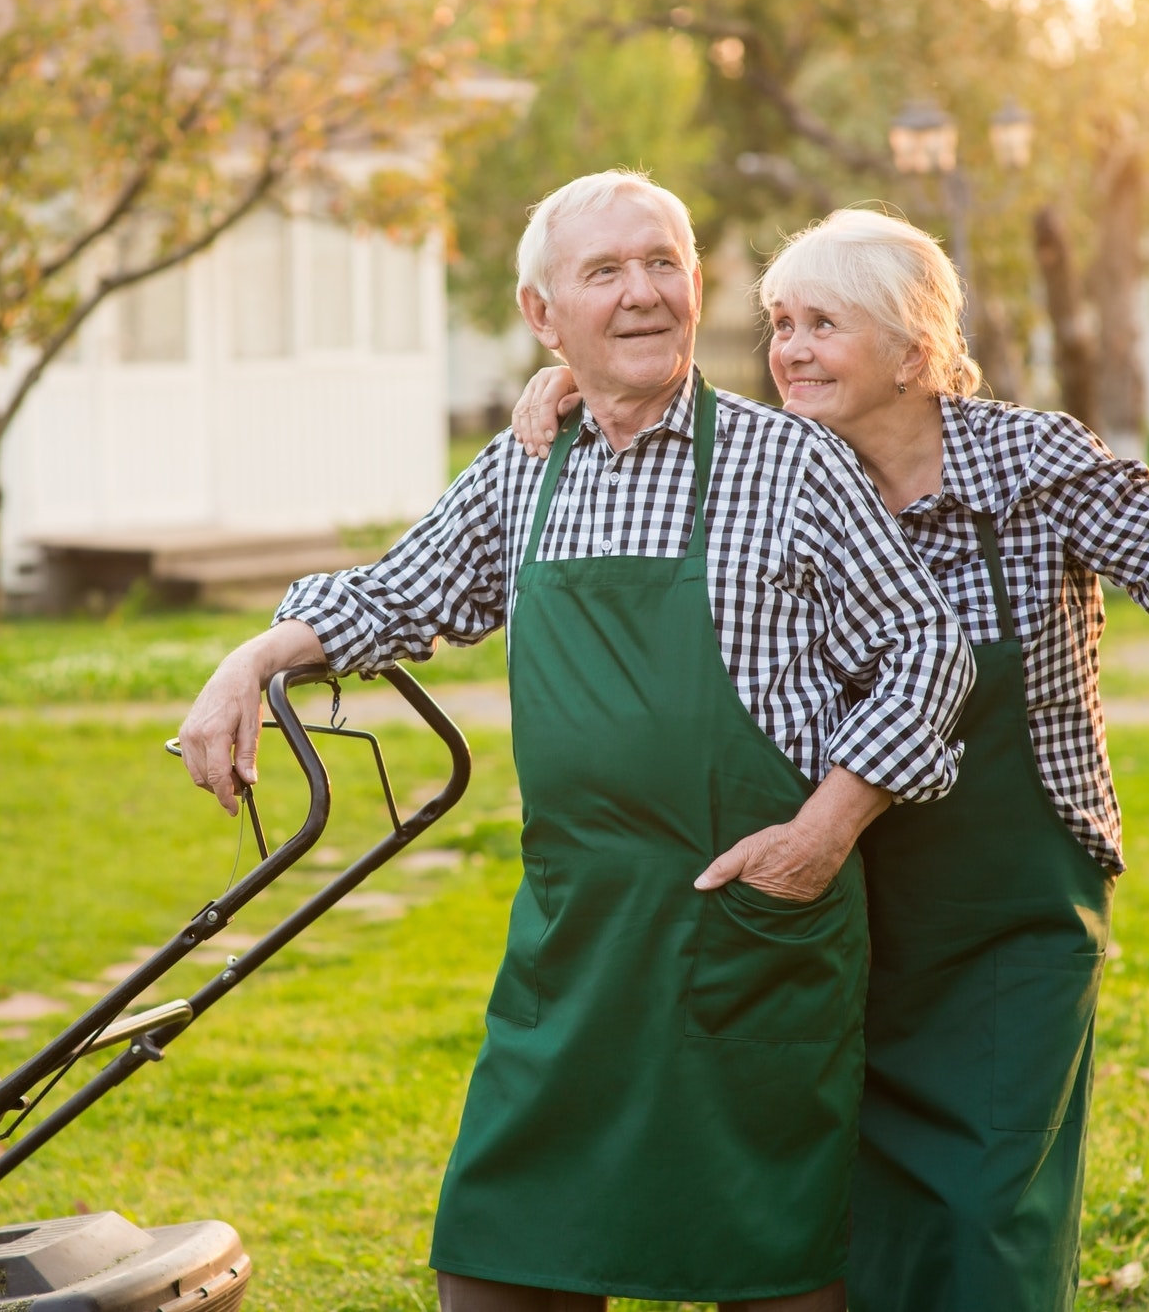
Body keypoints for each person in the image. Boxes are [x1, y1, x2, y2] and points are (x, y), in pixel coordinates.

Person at [177, 175, 973, 1312]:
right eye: (604, 272)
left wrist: (823, 828)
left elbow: (927, 652)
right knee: (498, 1263)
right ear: (542, 315)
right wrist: (251, 659)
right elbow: (402, 589)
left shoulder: (789, 464)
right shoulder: (527, 466)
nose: (643, 294)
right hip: (574, 947)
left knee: (772, 1272)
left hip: (746, 936)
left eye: (663, 264)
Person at [508, 206, 1149, 1312]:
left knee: (985, 1207)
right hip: (846, 898)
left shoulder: (1028, 460)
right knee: (847, 1204)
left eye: (823, 324)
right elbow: (654, 418)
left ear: (915, 350)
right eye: (779, 323)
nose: (789, 351)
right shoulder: (782, 466)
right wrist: (568, 388)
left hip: (1010, 909)